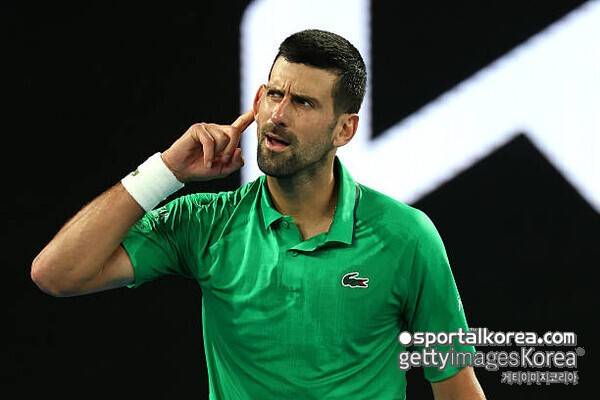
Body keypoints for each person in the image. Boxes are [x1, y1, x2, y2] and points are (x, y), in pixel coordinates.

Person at [31, 29, 486, 399]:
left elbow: (455, 385)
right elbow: (56, 274)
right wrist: (165, 172)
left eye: (303, 102)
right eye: (274, 94)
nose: (277, 115)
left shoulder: (408, 236)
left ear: (344, 129)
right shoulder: (204, 222)